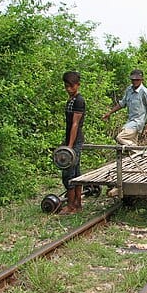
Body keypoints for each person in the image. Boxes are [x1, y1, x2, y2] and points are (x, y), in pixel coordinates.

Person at [102, 69, 147, 146]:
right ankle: (136, 152)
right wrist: (109, 113)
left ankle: (136, 149)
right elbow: (122, 104)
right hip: (130, 121)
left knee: (120, 137)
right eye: (133, 80)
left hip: (138, 122)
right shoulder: (129, 89)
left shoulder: (144, 92)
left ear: (141, 80)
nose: (135, 82)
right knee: (131, 144)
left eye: (137, 80)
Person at [60, 71, 85, 214]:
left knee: (69, 173)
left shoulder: (79, 101)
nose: (69, 89)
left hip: (75, 140)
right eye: (66, 86)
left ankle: (72, 205)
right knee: (75, 172)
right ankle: (76, 204)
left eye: (71, 86)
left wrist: (69, 145)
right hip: (70, 139)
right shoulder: (70, 100)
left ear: (77, 85)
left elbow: (75, 124)